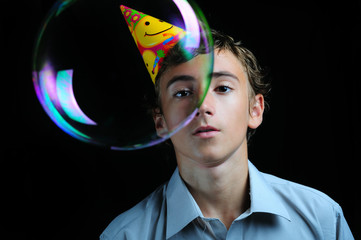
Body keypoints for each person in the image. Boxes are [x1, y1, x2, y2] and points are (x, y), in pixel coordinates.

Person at [100, 30, 354, 239]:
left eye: (222, 87)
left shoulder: (322, 219)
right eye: (182, 93)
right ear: (161, 122)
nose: (202, 106)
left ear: (255, 109)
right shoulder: (124, 235)